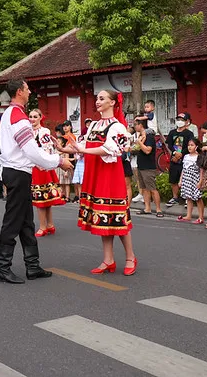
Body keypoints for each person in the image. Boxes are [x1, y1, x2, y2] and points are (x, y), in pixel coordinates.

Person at [0, 79, 72, 284]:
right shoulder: (19, 117)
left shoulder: (8, 115)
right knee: (13, 221)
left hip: (14, 170)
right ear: (19, 92)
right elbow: (31, 151)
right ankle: (3, 267)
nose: (30, 92)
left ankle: (32, 265)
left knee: (26, 221)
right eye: (28, 89)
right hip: (18, 171)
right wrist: (58, 161)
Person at [59, 90, 136, 276]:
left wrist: (84, 151)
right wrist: (62, 148)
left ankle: (130, 257)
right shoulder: (94, 124)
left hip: (110, 175)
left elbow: (109, 150)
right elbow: (82, 145)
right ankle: (108, 259)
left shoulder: (117, 127)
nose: (97, 102)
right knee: (102, 217)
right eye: (97, 99)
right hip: (95, 174)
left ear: (112, 103)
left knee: (117, 216)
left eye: (102, 99)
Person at [28, 109, 65, 237]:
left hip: (41, 167)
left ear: (40, 118)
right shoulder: (29, 131)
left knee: (41, 198)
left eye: (35, 117)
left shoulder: (44, 131)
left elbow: (48, 149)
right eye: (30, 116)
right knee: (44, 198)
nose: (32, 119)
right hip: (34, 166)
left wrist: (44, 164)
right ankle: (49, 225)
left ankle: (43, 226)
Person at [165, 113, 195, 207]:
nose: (180, 121)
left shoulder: (189, 133)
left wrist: (182, 154)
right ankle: (175, 197)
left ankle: (187, 199)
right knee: (173, 179)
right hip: (174, 159)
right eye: (178, 119)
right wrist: (174, 153)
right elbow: (168, 144)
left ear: (187, 122)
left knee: (185, 179)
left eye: (182, 120)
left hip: (185, 159)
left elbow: (190, 145)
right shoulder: (172, 132)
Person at [133, 116, 161, 217]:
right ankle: (147, 208)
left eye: (135, 124)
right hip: (141, 165)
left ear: (141, 125)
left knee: (152, 188)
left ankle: (158, 209)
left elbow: (148, 150)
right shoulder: (140, 135)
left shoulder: (149, 137)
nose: (134, 127)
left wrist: (139, 143)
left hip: (148, 166)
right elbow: (138, 149)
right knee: (144, 189)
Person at [177, 139, 204, 224]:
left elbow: (201, 171)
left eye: (192, 145)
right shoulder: (186, 156)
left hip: (195, 179)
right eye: (189, 145)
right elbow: (183, 169)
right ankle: (188, 215)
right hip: (186, 179)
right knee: (188, 197)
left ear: (196, 147)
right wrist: (181, 180)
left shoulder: (199, 157)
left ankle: (201, 217)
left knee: (198, 198)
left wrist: (200, 181)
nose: (189, 147)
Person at [71, 118, 92, 203]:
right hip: (80, 160)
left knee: (85, 180)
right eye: (87, 123)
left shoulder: (92, 136)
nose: (88, 124)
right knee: (79, 180)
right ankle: (80, 197)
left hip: (87, 160)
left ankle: (86, 197)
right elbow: (77, 148)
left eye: (90, 123)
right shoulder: (81, 136)